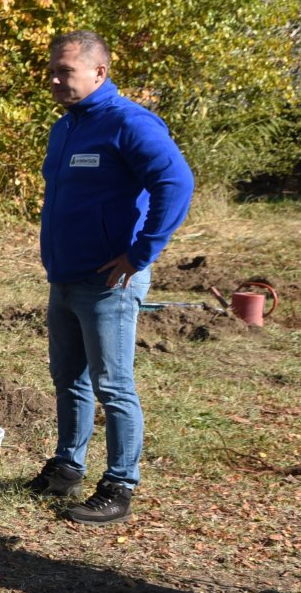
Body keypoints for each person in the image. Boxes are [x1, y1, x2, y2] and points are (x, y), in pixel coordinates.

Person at [27, 30, 193, 524]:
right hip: (66, 276)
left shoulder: (128, 123)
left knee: (113, 385)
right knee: (69, 380)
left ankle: (120, 483)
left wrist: (140, 253)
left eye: (66, 71)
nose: (55, 79)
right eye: (52, 70)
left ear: (99, 73)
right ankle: (66, 467)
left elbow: (176, 182)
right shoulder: (67, 127)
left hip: (109, 283)